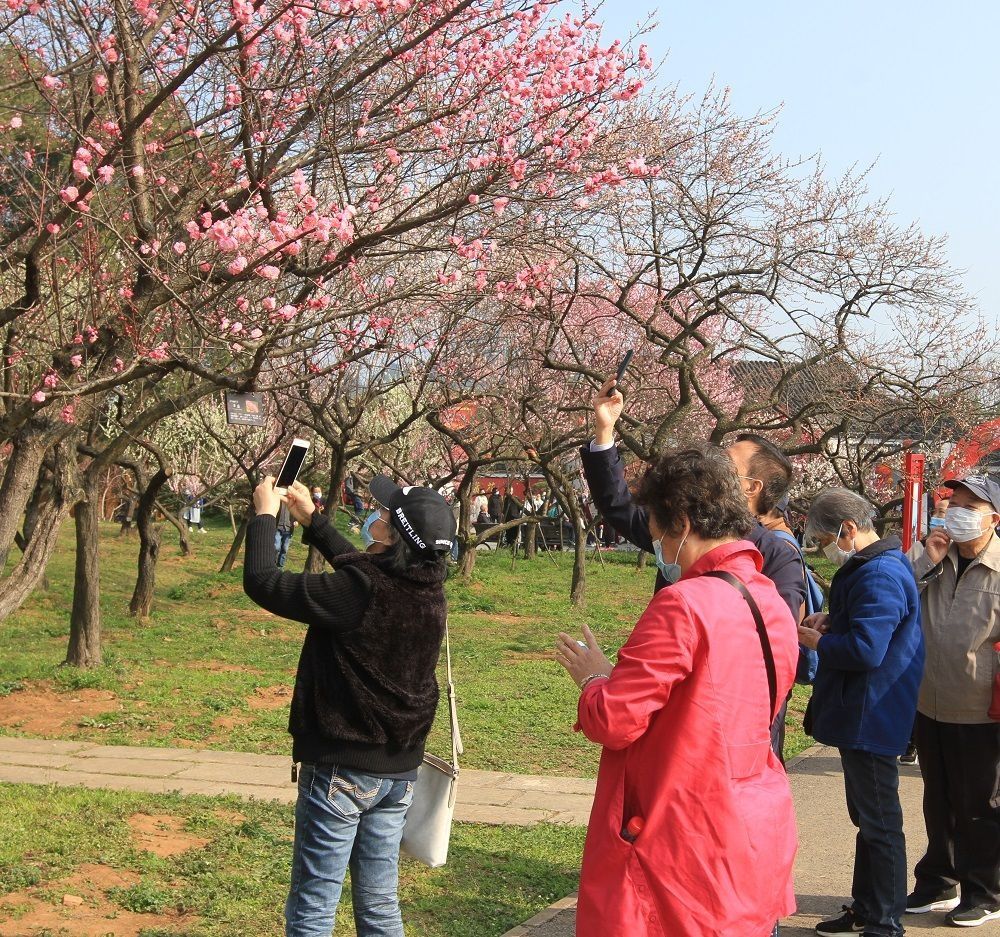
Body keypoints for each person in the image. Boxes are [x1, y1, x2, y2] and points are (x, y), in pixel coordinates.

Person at [556, 445, 798, 937]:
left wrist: (594, 677)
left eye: (657, 532)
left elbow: (615, 721)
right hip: (749, 814)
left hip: (681, 826)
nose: (659, 547)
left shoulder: (682, 604)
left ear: (682, 524)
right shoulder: (768, 597)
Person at [243, 474, 456, 937]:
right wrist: (313, 521)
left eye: (383, 514)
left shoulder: (359, 591)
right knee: (380, 905)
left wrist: (263, 515)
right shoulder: (429, 585)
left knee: (314, 907)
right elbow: (363, 571)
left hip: (343, 766)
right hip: (398, 771)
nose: (374, 516)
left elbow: (263, 581)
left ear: (389, 534)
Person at [580, 376, 807, 759]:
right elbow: (619, 505)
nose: (713, 464)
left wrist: (597, 678)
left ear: (751, 488)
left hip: (733, 736)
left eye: (727, 463)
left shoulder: (777, 556)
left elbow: (768, 651)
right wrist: (605, 429)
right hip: (675, 722)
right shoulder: (679, 530)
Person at [799, 488, 924, 937]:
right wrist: (833, 621)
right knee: (868, 820)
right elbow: (868, 626)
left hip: (872, 711)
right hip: (864, 710)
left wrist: (819, 643)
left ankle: (885, 921)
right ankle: (868, 907)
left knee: (880, 823)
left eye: (823, 540)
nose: (823, 549)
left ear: (848, 530)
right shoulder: (871, 568)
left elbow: (868, 650)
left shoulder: (879, 574)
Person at [904, 474, 1000, 928]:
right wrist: (927, 559)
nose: (955, 513)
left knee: (980, 803)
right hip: (930, 700)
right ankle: (939, 880)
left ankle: (984, 889)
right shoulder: (932, 558)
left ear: (993, 519)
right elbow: (896, 596)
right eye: (952, 504)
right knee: (936, 798)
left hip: (982, 709)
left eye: (968, 507)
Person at [898, 494, 950, 766]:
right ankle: (910, 741)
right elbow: (903, 588)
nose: (940, 518)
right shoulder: (919, 549)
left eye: (946, 512)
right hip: (920, 640)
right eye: (938, 512)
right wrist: (928, 560)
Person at [275, 502, 295, 569]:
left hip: (288, 529)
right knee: (276, 547)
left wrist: (296, 521)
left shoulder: (292, 502)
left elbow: (296, 514)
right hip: (277, 527)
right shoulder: (278, 501)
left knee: (284, 549)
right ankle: (273, 564)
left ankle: (280, 566)